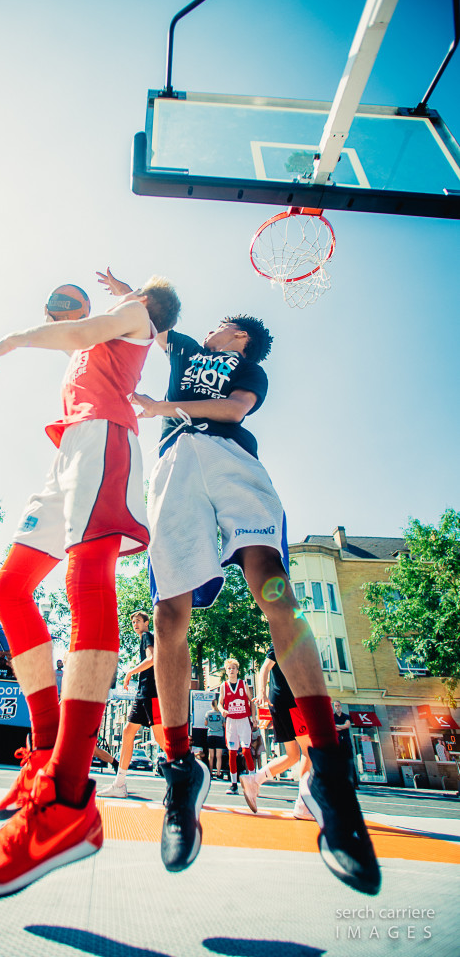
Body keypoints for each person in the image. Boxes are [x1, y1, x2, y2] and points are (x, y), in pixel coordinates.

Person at [98, 268, 380, 895]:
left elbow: (231, 410)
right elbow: (155, 320)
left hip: (231, 461)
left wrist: (164, 405)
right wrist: (126, 288)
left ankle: (329, 771)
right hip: (175, 470)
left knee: (273, 588)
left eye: (227, 323)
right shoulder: (188, 351)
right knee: (169, 617)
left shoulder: (248, 372)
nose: (214, 325)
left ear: (243, 339)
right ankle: (180, 771)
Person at [0, 273, 181, 898]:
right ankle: (47, 756)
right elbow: (126, 321)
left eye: (130, 298)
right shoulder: (134, 320)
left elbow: (88, 327)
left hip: (105, 441)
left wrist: (15, 338)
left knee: (86, 584)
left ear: (145, 307)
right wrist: (133, 287)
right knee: (10, 589)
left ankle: (69, 798)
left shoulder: (130, 318)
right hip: (70, 451)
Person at [239, 646, 314, 819]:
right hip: (289, 702)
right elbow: (265, 667)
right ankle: (303, 805)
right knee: (310, 752)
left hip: (284, 701)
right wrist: (261, 693)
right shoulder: (285, 637)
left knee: (293, 755)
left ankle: (254, 780)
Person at [99, 610, 166, 798]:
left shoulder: (147, 636)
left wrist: (130, 673)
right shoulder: (144, 637)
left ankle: (186, 774)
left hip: (150, 694)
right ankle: (119, 784)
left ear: (146, 623)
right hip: (143, 694)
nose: (135, 624)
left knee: (161, 739)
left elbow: (151, 659)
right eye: (133, 622)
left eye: (138, 621)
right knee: (128, 733)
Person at [218, 658, 255, 794]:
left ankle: (252, 782)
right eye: (229, 668)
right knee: (232, 752)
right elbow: (220, 703)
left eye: (234, 668)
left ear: (238, 670)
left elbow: (251, 701)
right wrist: (222, 710)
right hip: (231, 722)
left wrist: (254, 717)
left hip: (244, 720)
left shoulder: (243, 684)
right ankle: (234, 784)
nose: (231, 670)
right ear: (226, 672)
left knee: (246, 751)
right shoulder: (223, 686)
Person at [204, 698, 225, 778]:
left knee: (211, 755)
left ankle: (210, 772)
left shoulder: (208, 713)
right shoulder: (221, 714)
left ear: (211, 705)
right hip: (219, 735)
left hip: (211, 735)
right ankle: (218, 773)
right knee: (219, 756)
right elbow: (224, 725)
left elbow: (205, 724)